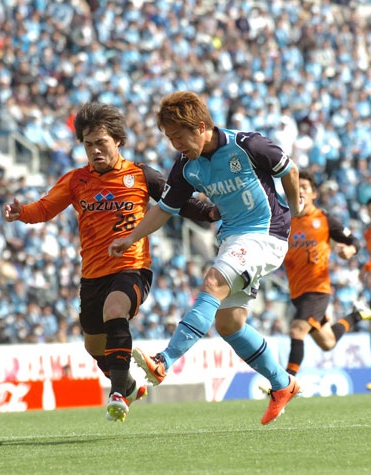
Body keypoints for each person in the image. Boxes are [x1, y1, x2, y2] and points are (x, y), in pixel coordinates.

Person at [4, 102, 219, 422]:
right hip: (92, 275)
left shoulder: (141, 174)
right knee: (94, 345)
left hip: (132, 268)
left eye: (101, 142)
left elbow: (178, 201)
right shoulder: (76, 180)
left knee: (115, 311)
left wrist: (210, 213)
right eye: (88, 145)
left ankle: (118, 392)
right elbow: (46, 208)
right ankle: (128, 384)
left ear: (117, 140)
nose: (94, 150)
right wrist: (22, 212)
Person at [109, 91, 303, 425]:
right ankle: (282, 384)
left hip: (265, 233)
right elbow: (164, 210)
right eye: (169, 138)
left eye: (179, 136)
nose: (175, 145)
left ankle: (164, 361)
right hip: (233, 238)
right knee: (229, 324)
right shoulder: (186, 168)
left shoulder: (247, 145)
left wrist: (296, 208)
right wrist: (131, 238)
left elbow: (289, 169)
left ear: (200, 127)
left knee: (213, 283)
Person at [283, 171, 371, 376]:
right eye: (297, 187)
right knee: (328, 342)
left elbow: (354, 241)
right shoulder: (285, 221)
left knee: (297, 330)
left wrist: (350, 250)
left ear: (314, 194)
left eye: (305, 187)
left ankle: (284, 387)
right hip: (296, 291)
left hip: (317, 289)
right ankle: (358, 315)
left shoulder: (324, 219)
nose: (300, 190)